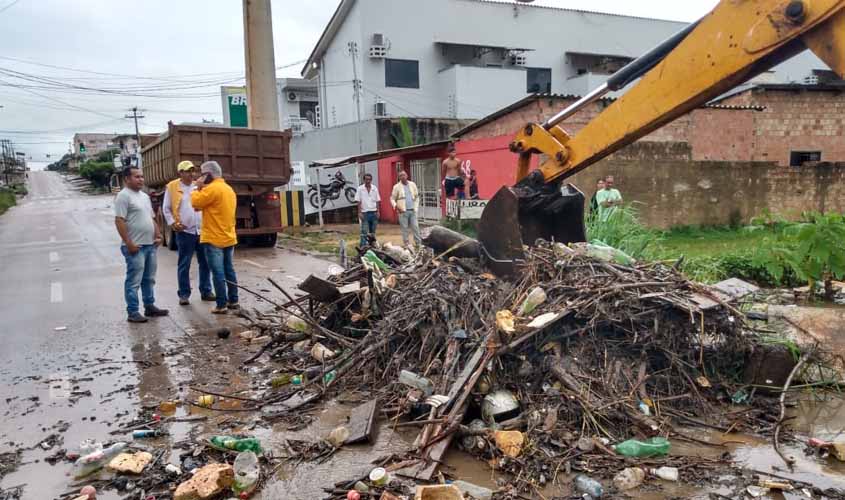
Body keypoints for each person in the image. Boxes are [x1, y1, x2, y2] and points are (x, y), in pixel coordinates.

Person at [114, 166, 169, 323]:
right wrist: (129, 243)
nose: (141, 179)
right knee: (134, 281)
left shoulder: (144, 196)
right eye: (137, 177)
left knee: (149, 279)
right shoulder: (123, 197)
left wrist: (158, 235)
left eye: (142, 176)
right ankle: (133, 312)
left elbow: (151, 218)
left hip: (149, 245)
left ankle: (149, 306)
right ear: (127, 179)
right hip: (135, 247)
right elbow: (119, 220)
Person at [162, 160, 214, 306]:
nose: (191, 174)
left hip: (202, 230)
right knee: (184, 263)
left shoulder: (199, 186)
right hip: (185, 232)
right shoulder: (172, 187)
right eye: (187, 171)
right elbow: (166, 208)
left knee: (205, 263)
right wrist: (172, 223)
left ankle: (206, 291)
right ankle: (184, 294)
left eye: (193, 171)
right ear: (180, 173)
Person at [191, 161, 239, 315]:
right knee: (229, 270)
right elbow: (200, 207)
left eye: (203, 174)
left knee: (218, 272)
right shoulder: (228, 189)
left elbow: (195, 202)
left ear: (208, 175)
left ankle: (221, 304)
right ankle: (234, 300)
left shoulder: (212, 189)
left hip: (214, 238)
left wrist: (196, 187)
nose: (200, 177)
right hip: (228, 236)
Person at [390, 171, 421, 248]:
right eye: (400, 176)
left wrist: (416, 208)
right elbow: (392, 199)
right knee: (404, 229)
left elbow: (417, 197)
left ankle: (418, 243)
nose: (402, 177)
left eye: (404, 175)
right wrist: (397, 207)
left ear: (407, 175)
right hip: (403, 211)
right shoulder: (396, 187)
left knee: (415, 227)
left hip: (412, 210)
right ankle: (406, 244)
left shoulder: (412, 184)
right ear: (399, 177)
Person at [355, 172, 380, 247]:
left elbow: (377, 200)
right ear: (364, 180)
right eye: (366, 179)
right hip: (365, 213)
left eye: (369, 179)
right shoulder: (360, 189)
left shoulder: (374, 188)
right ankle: (363, 246)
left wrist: (378, 211)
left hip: (374, 212)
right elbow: (358, 201)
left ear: (371, 180)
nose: (368, 181)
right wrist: (359, 213)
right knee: (364, 231)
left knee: (373, 231)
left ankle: (371, 245)